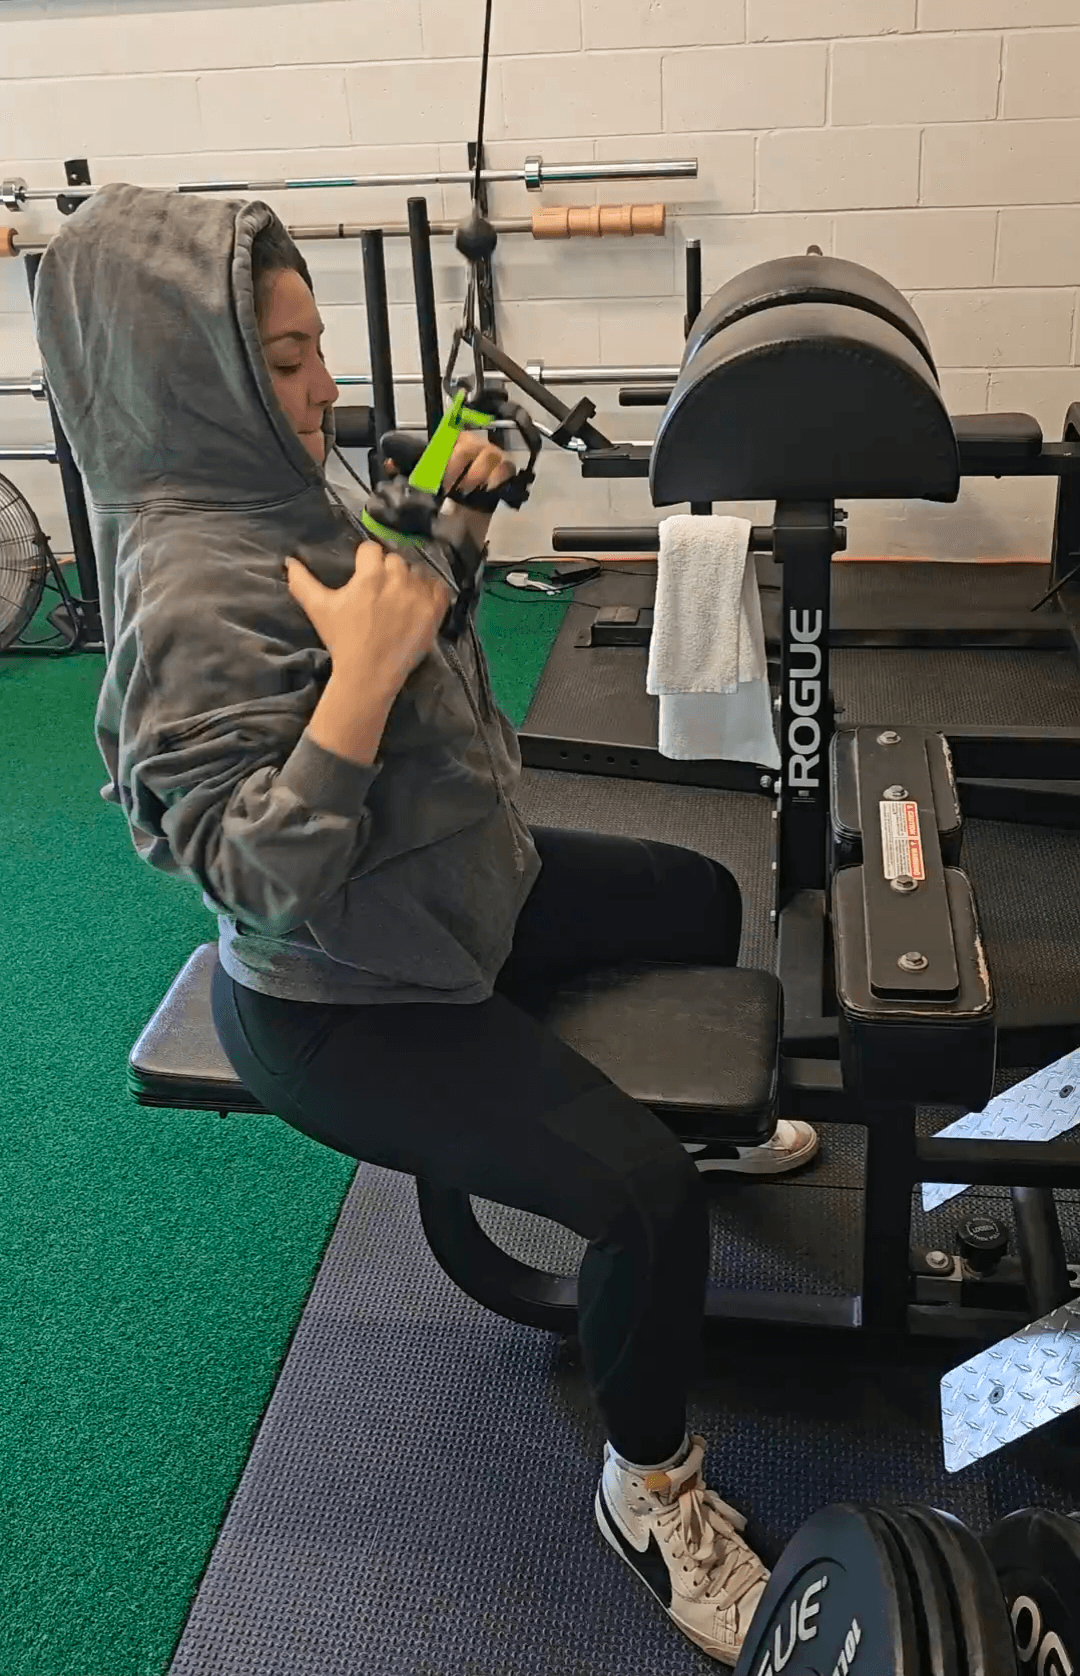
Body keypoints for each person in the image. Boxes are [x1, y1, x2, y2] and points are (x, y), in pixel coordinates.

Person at [33, 182, 819, 1668]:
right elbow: (248, 875)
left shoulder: (291, 488)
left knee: (698, 897)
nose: (323, 384)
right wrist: (362, 676)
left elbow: (400, 604)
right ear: (184, 375)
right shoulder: (186, 584)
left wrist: (449, 525)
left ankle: (642, 1145)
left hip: (460, 893)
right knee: (647, 1194)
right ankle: (648, 1492)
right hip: (343, 1001)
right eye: (279, 359)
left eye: (313, 343)